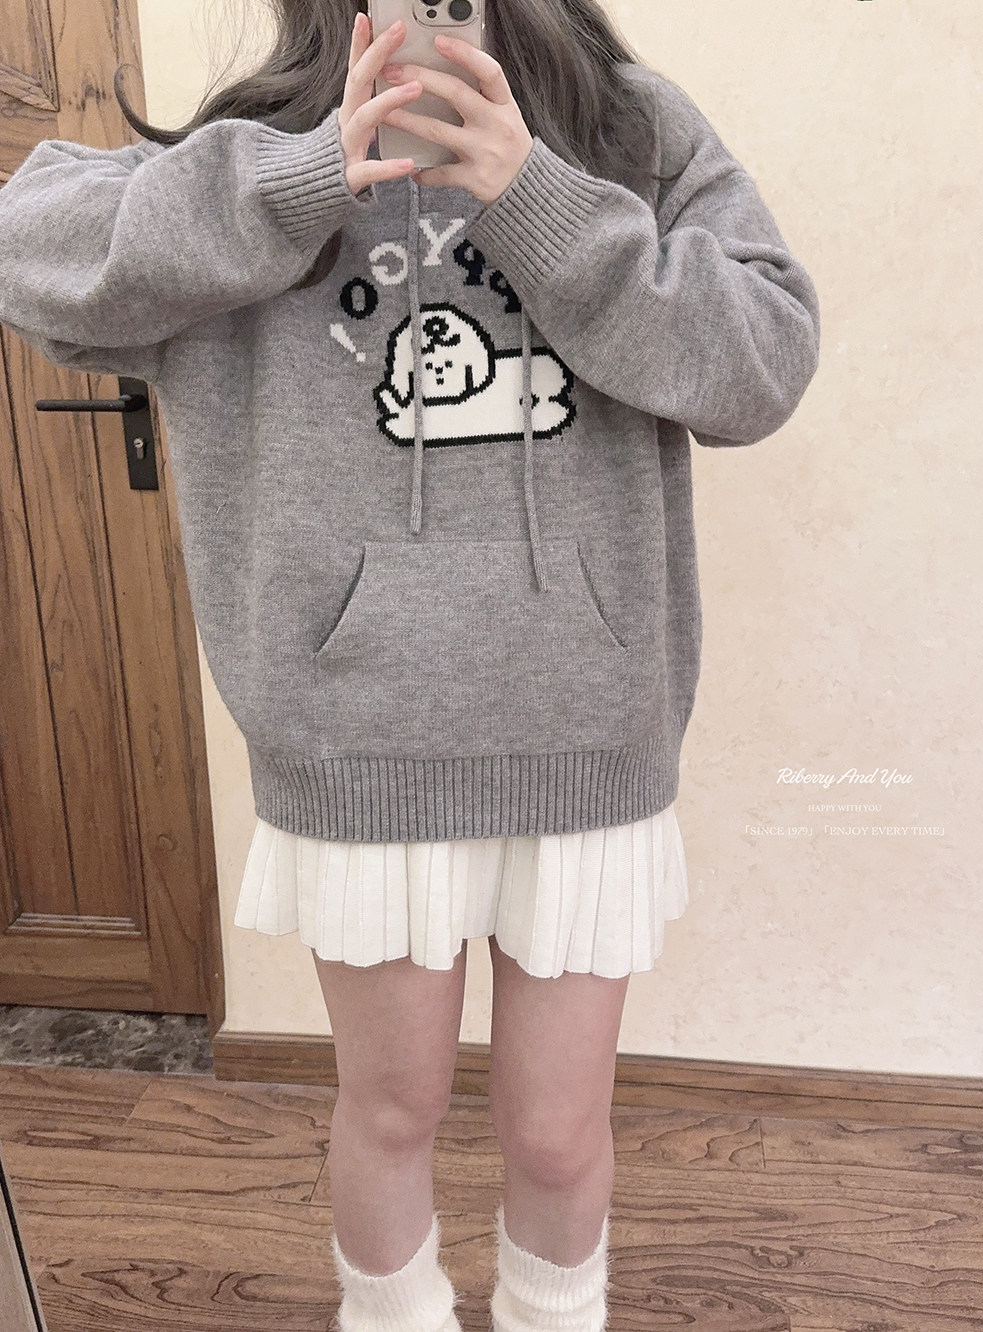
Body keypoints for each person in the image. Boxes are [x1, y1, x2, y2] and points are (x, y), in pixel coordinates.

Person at [0, 1, 820, 1328]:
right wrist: (299, 182)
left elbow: (765, 364)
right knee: (390, 1112)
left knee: (558, 1134)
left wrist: (540, 201)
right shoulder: (265, 148)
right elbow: (28, 247)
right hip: (356, 737)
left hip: (587, 734)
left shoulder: (628, 131)